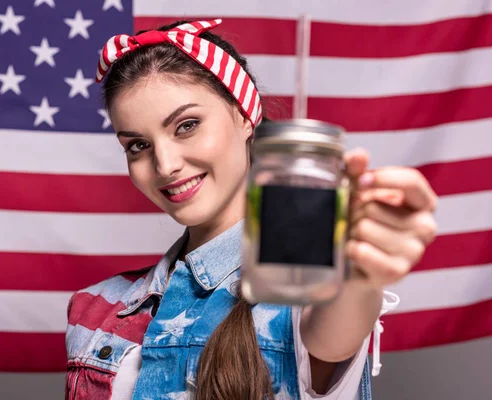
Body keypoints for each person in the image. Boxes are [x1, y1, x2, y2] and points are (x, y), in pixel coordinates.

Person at [65, 19, 437, 400]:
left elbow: (332, 331)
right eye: (137, 146)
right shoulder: (93, 309)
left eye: (186, 125)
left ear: (245, 115)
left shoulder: (299, 281)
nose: (165, 164)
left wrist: (361, 274)